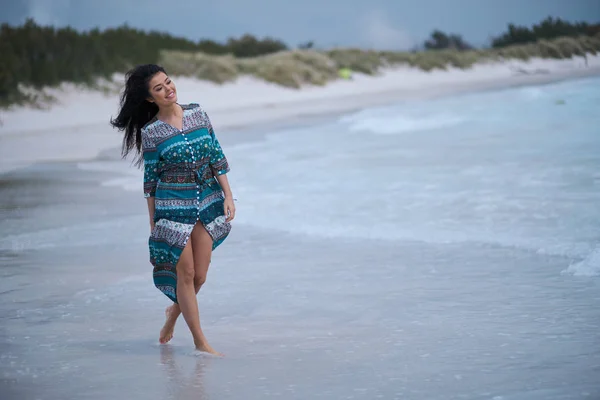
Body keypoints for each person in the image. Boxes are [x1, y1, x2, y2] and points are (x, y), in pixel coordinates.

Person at [110, 64, 235, 356]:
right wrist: (154, 224)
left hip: (206, 201)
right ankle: (200, 342)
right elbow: (150, 181)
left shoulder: (198, 114)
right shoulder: (152, 133)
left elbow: (217, 155)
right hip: (171, 207)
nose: (168, 90)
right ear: (150, 99)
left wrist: (228, 196)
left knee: (200, 276)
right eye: (159, 88)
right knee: (186, 273)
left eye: (168, 83)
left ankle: (173, 315)